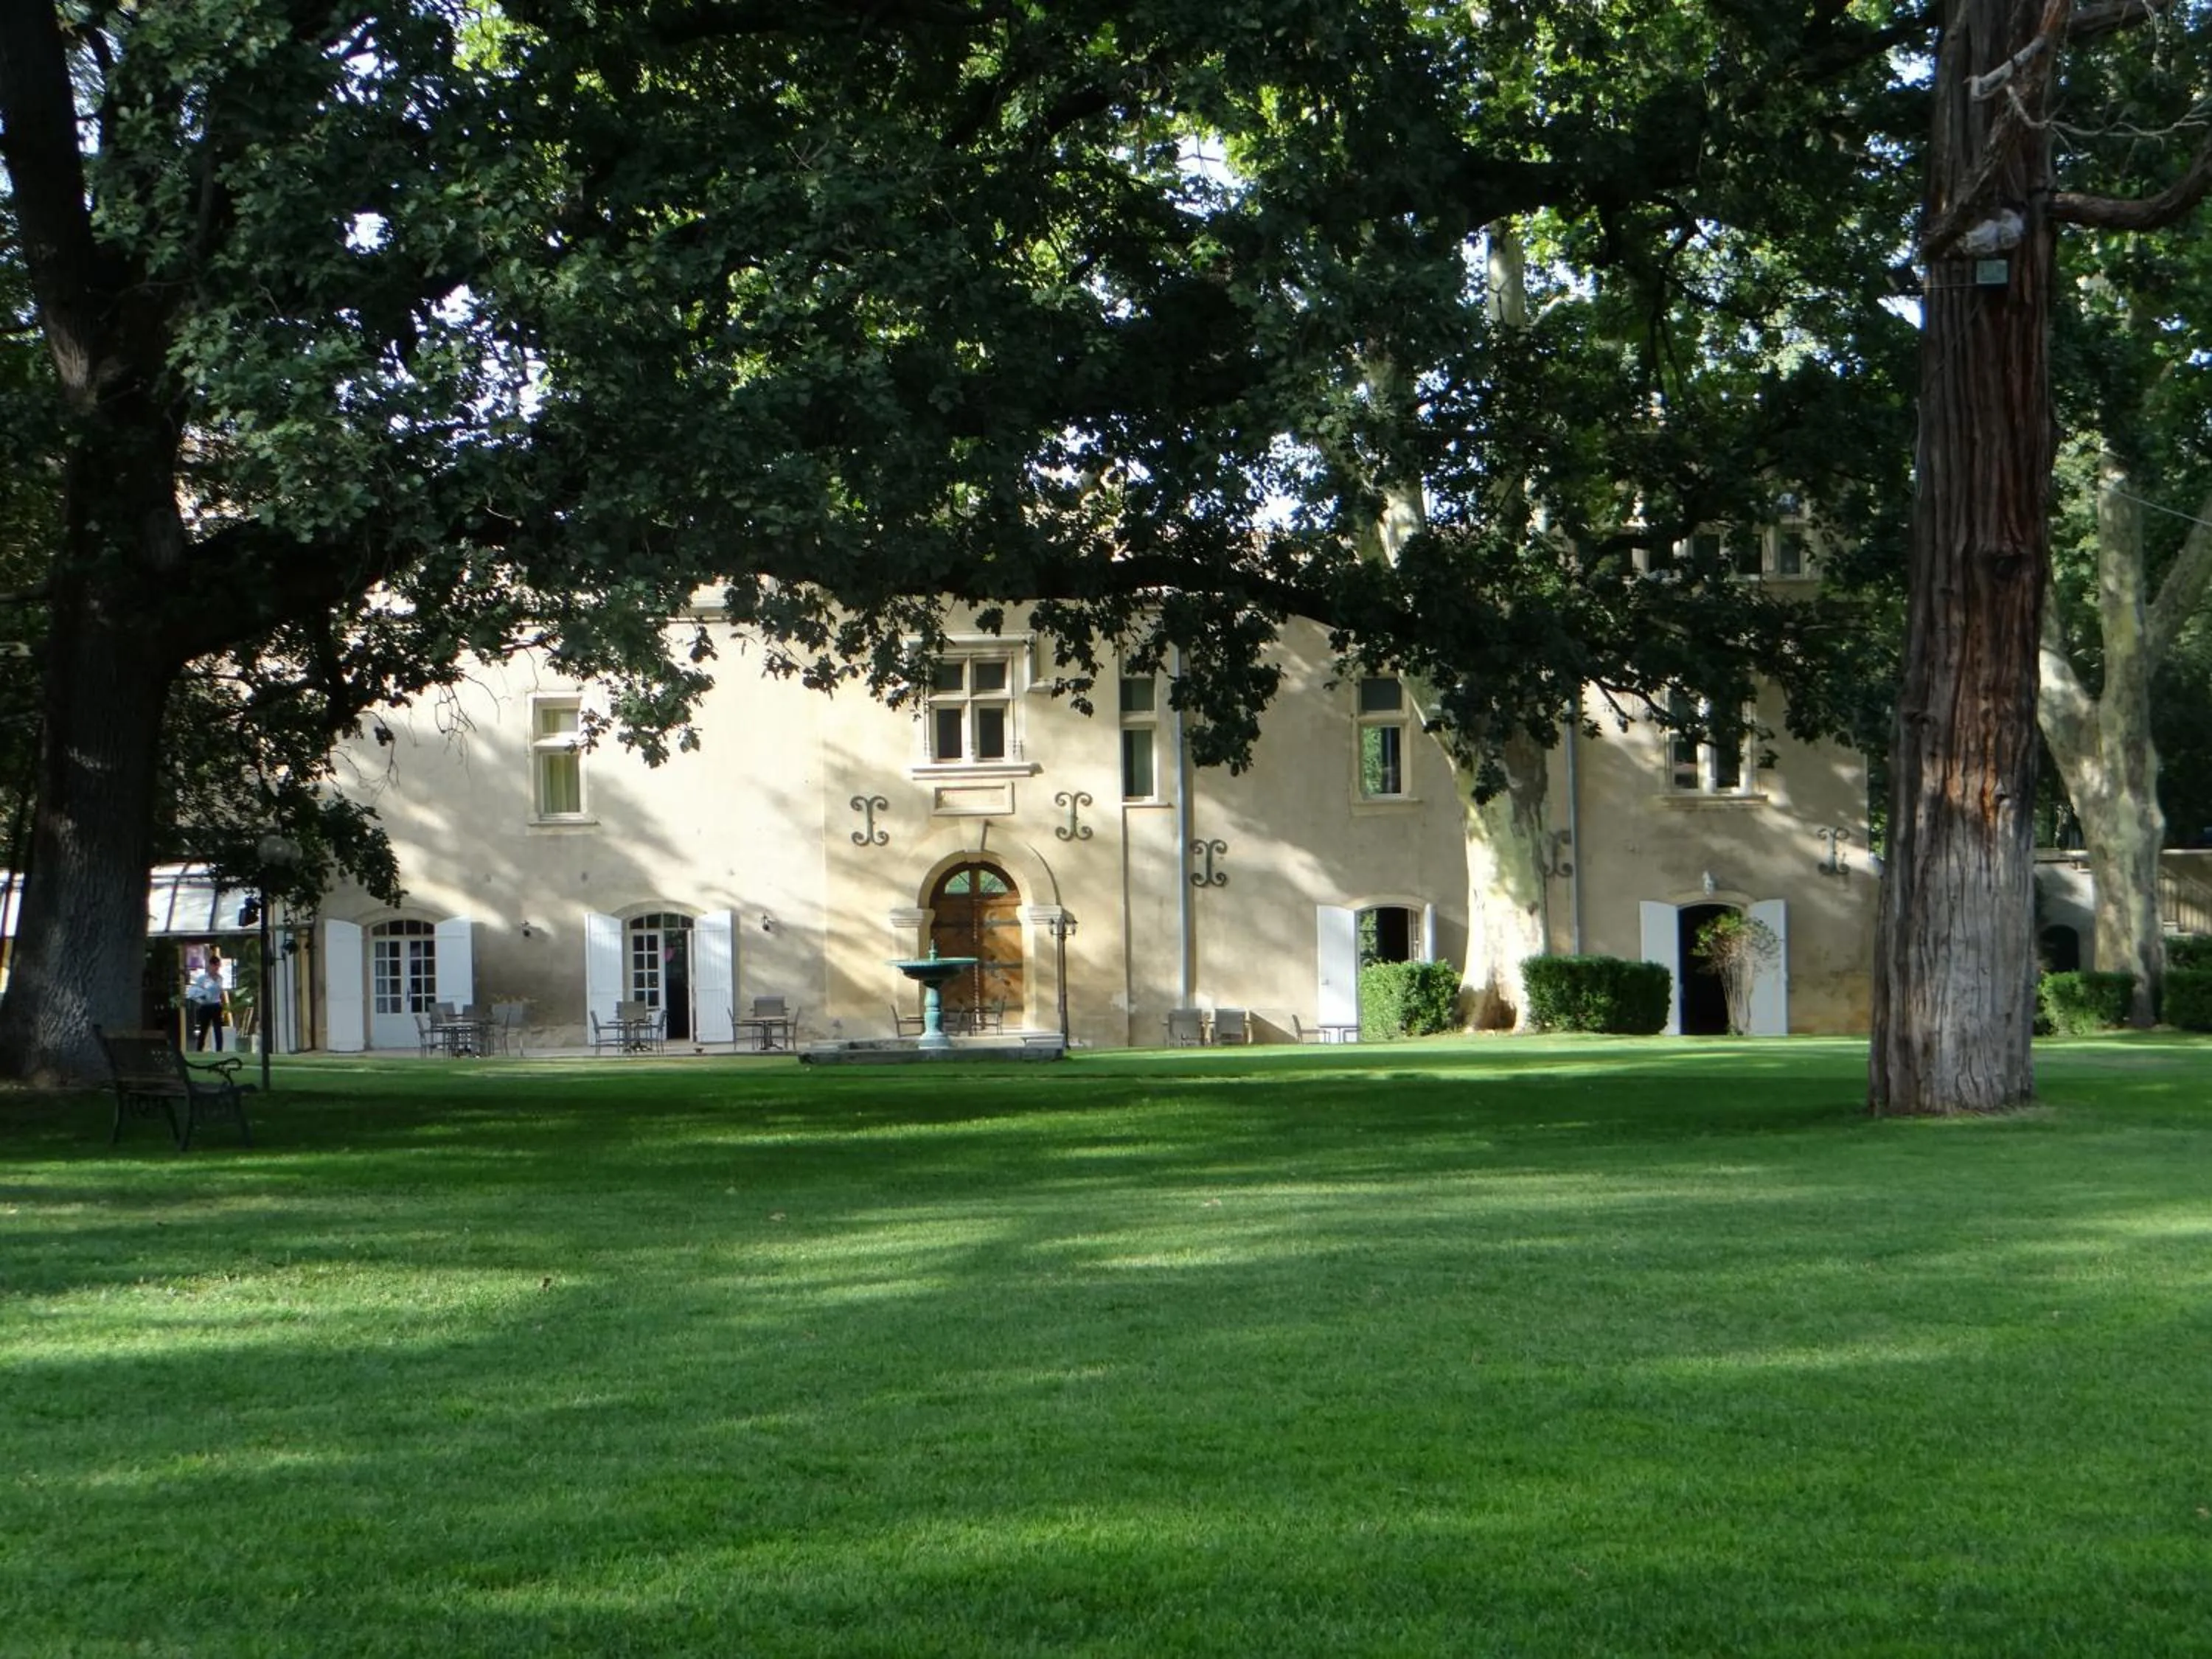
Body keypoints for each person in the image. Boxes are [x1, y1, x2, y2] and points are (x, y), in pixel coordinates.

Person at [184, 949, 229, 1052]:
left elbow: (219, 991)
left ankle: (219, 1050)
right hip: (206, 1006)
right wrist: (201, 1000)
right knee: (204, 1029)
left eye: (218, 966)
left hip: (216, 1005)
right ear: (211, 966)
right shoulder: (203, 979)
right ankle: (199, 1049)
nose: (217, 968)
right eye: (215, 965)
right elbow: (196, 992)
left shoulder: (220, 978)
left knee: (218, 1029)